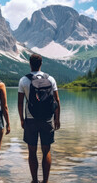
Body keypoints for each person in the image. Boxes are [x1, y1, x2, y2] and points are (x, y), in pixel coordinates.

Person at [18, 53, 61, 183]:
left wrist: (22, 119)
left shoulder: (24, 80)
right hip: (47, 119)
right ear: (41, 63)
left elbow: (20, 103)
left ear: (30, 64)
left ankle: (35, 180)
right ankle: (45, 181)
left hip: (30, 120)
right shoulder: (51, 79)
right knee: (46, 150)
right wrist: (57, 118)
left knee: (32, 151)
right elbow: (57, 100)